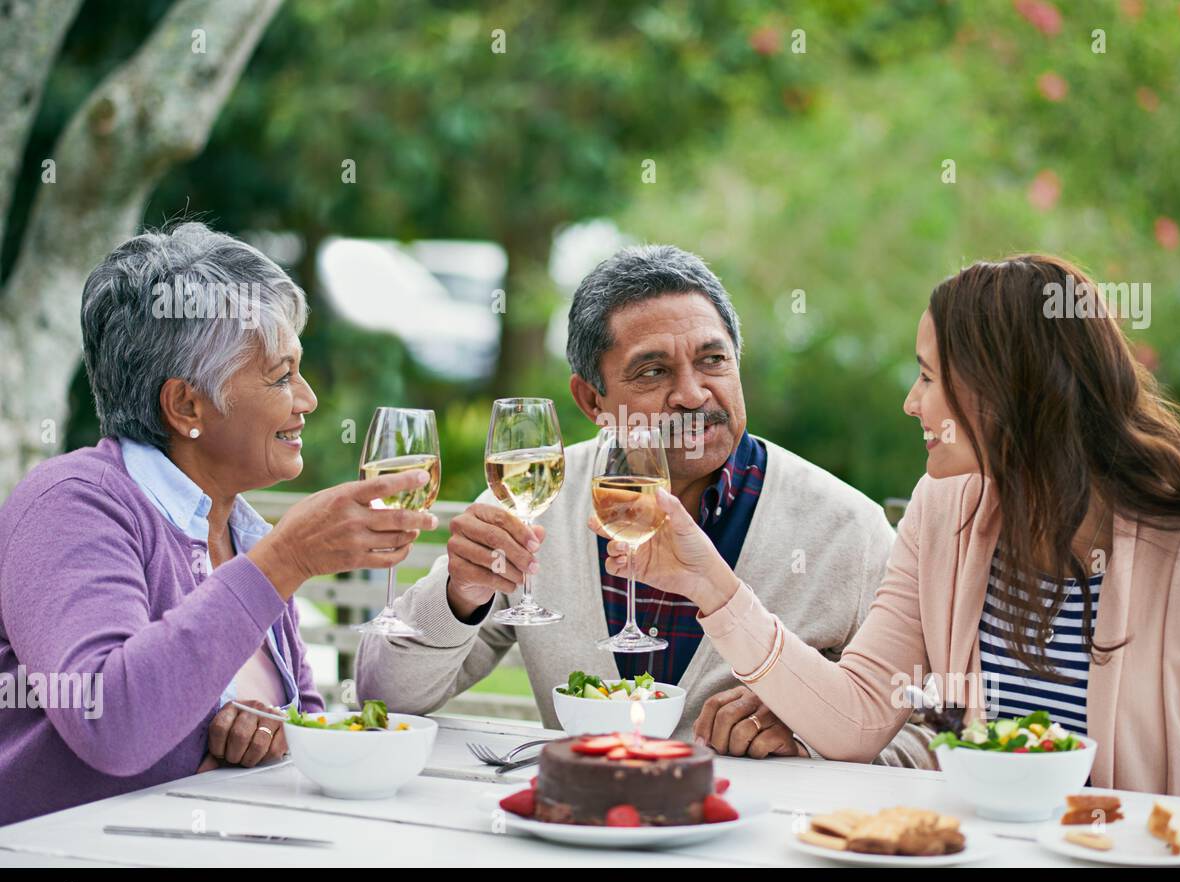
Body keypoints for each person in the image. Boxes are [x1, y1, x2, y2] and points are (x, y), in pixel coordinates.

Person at [589, 254, 1180, 805]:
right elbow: (860, 715)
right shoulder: (944, 509)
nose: (910, 402)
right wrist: (706, 581)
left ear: (1002, 393)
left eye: (928, 377)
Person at [358, 245, 934, 765]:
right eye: (653, 371)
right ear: (591, 398)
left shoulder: (846, 529)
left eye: (714, 360)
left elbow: (930, 734)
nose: (691, 394)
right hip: (576, 834)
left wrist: (810, 735)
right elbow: (384, 694)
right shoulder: (536, 497)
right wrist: (457, 595)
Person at [0, 223, 436, 826]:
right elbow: (110, 720)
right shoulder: (72, 504)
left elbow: (300, 718)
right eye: (281, 376)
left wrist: (273, 734)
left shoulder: (239, 527)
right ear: (186, 406)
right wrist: (285, 562)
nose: (307, 399)